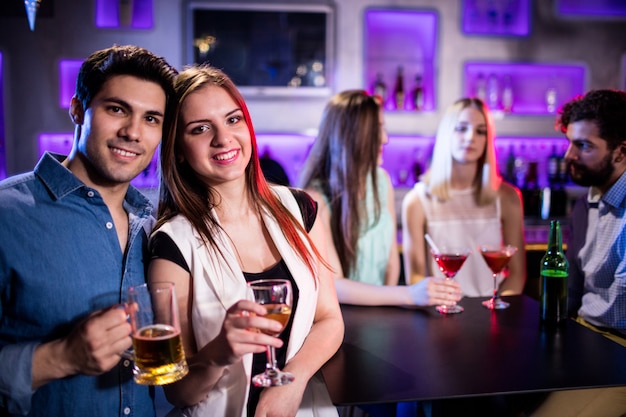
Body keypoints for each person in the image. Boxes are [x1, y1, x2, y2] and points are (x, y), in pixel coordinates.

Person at [147, 64, 344, 417]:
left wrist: (291, 381)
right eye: (201, 128)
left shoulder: (301, 209)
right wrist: (218, 353)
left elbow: (330, 319)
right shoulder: (170, 245)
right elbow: (177, 391)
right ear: (177, 149)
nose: (223, 138)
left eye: (233, 120)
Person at [0, 45, 177, 416]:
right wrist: (59, 358)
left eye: (151, 119)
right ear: (78, 108)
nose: (133, 132)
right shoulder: (7, 214)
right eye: (117, 109)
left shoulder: (155, 224)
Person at [299, 89, 462, 308]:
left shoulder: (381, 181)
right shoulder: (316, 198)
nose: (385, 139)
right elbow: (334, 285)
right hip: (343, 318)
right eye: (376, 130)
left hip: (383, 312)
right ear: (350, 137)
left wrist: (389, 303)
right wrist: (406, 295)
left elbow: (391, 256)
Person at [528, 89, 626, 417]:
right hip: (583, 337)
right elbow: (574, 287)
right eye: (569, 142)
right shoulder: (587, 203)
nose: (569, 155)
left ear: (621, 152)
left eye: (583, 145)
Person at [402, 97, 526, 298]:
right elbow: (416, 278)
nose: (470, 138)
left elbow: (517, 274)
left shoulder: (507, 197)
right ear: (446, 134)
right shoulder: (416, 201)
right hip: (441, 312)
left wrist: (497, 310)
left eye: (480, 131)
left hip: (494, 312)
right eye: (461, 128)